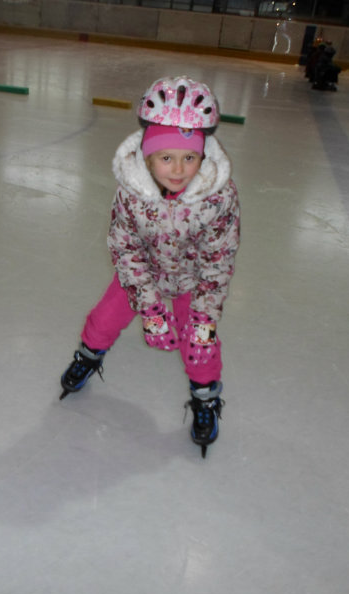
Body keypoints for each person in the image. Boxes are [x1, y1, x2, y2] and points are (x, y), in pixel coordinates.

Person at [59, 76, 240, 458]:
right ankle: (87, 357)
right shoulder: (132, 191)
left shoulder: (218, 197)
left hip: (193, 282)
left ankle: (205, 397)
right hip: (142, 275)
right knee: (103, 319)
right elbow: (125, 247)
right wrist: (150, 306)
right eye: (166, 157)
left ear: (203, 156)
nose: (178, 169)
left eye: (189, 157)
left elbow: (219, 259)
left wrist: (204, 315)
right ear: (147, 156)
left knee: (201, 343)